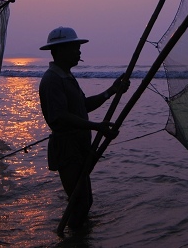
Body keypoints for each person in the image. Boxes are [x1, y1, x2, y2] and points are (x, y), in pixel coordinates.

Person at [38, 26, 130, 231]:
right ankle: (74, 239)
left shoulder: (67, 77)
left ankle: (80, 235)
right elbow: (60, 117)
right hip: (67, 148)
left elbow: (83, 107)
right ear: (59, 51)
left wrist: (111, 92)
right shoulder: (52, 79)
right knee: (79, 202)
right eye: (74, 47)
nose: (79, 52)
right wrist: (96, 127)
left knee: (85, 201)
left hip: (79, 146)